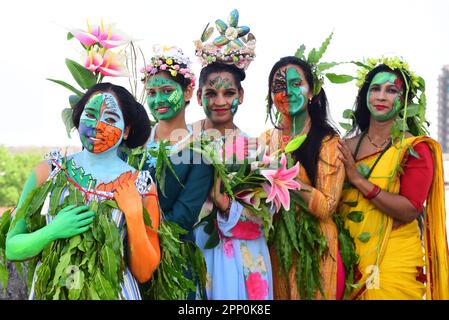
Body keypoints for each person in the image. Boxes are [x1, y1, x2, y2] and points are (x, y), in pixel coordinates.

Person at [6, 82, 160, 300]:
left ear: (126, 131)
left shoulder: (142, 185)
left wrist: (134, 216)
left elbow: (144, 273)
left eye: (109, 119)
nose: (97, 126)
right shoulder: (48, 171)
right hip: (54, 291)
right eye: (90, 114)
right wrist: (52, 231)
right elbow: (12, 247)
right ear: (78, 120)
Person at [337, 57, 449, 300]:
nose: (381, 96)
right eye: (375, 89)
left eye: (391, 90)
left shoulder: (415, 148)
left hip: (392, 259)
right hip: (347, 256)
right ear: (365, 95)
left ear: (405, 100)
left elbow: (409, 209)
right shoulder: (344, 147)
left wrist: (358, 180)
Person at [192, 9, 273, 300]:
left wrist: (227, 206)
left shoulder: (257, 149)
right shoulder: (183, 142)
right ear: (199, 97)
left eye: (228, 94)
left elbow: (266, 216)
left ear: (241, 96)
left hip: (244, 255)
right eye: (211, 94)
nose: (220, 101)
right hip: (195, 248)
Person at [261, 55, 346, 300]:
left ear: (312, 91)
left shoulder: (329, 142)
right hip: (276, 249)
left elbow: (327, 206)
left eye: (296, 84)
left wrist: (285, 177)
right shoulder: (265, 141)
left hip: (316, 249)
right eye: (278, 87)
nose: (286, 92)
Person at [140, 45, 213, 299]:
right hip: (130, 258)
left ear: (188, 91)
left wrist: (138, 233)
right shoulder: (136, 142)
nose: (158, 100)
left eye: (167, 91)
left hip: (174, 262)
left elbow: (182, 218)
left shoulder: (200, 151)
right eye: (152, 92)